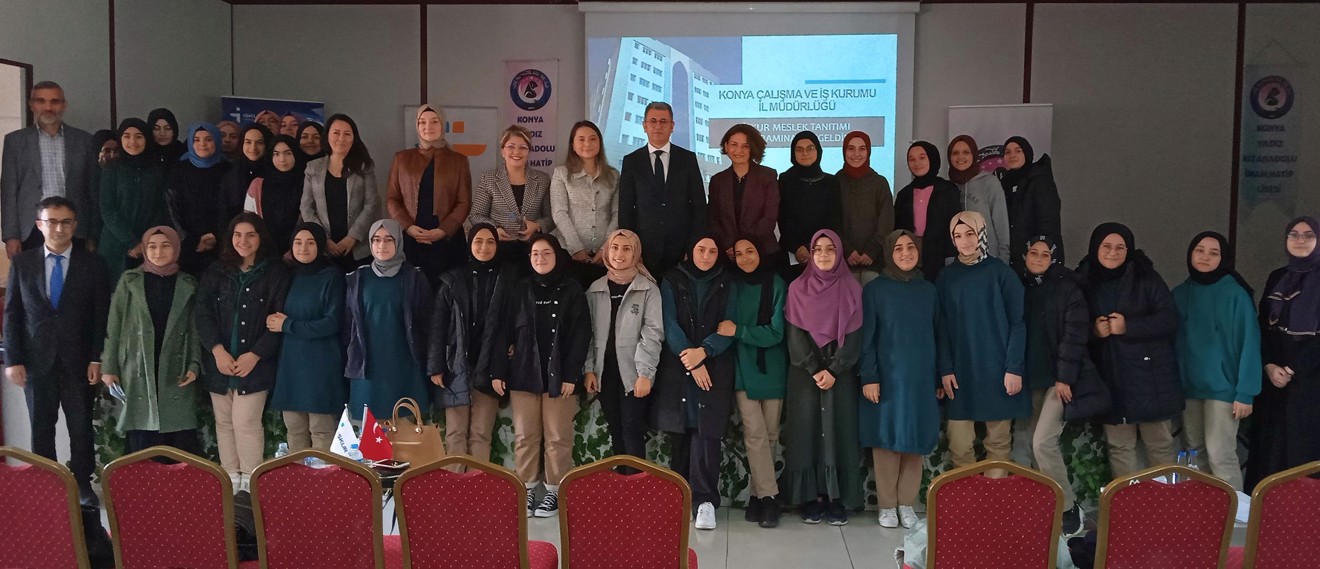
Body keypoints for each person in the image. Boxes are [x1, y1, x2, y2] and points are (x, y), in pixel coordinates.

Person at [4, 197, 110, 505]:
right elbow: (13, 314)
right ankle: (47, 485)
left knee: (80, 426)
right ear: (40, 225)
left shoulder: (93, 264)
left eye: (65, 222)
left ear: (74, 225)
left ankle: (83, 485)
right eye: (52, 221)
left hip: (79, 360)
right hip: (36, 361)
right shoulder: (23, 264)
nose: (59, 228)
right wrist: (14, 360)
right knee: (41, 427)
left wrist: (96, 357)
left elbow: (100, 315)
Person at [1077, 222, 1181, 478]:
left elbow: (1169, 320)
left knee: (1159, 444)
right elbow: (1072, 325)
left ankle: (1168, 500)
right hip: (1110, 378)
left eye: (1120, 247)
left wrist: (1128, 327)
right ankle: (1127, 501)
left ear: (1129, 249)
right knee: (1119, 447)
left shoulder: (1146, 277)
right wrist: (1094, 331)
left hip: (1149, 379)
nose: (1112, 253)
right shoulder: (1084, 279)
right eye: (1106, 246)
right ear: (1095, 247)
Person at [196, 212, 290, 492]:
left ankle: (249, 488)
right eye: (237, 235)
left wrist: (255, 355)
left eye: (250, 235)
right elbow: (202, 313)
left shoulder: (275, 273)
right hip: (220, 363)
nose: (243, 241)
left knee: (246, 423)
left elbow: (279, 321)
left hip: (256, 365)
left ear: (261, 238)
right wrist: (217, 351)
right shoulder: (216, 271)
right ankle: (230, 484)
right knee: (224, 424)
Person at [499, 234, 590, 518]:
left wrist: (571, 375)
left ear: (557, 256)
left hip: (560, 376)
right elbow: (505, 329)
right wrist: (503, 364)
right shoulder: (520, 288)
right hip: (523, 373)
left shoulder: (572, 289)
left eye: (546, 253)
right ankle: (526, 489)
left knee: (557, 436)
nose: (540, 259)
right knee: (525, 435)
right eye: (535, 254)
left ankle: (554, 491)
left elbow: (580, 335)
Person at [653, 234, 736, 531]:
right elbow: (668, 322)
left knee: (707, 434)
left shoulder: (727, 281)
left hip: (714, 367)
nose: (706, 255)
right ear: (690, 251)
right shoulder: (672, 279)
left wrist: (705, 352)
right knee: (681, 433)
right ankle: (679, 498)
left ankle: (705, 502)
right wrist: (692, 359)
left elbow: (729, 325)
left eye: (713, 251)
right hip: (681, 366)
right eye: (701, 249)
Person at [783, 229, 864, 525]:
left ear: (839, 253)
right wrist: (814, 368)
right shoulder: (797, 289)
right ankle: (810, 497)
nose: (824, 254)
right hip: (805, 373)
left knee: (838, 431)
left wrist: (835, 369)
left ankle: (836, 498)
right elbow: (794, 334)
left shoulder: (852, 288)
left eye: (830, 249)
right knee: (806, 432)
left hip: (840, 374)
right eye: (817, 249)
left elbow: (855, 335)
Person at [937, 211, 1029, 474]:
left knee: (998, 443)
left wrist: (1014, 368)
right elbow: (941, 327)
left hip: (997, 369)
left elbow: (1017, 322)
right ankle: (968, 498)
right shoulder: (946, 277)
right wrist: (945, 368)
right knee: (959, 444)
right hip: (960, 371)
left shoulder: (1001, 273)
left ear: (981, 234)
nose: (965, 241)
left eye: (970, 233)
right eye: (958, 235)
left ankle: (994, 497)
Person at [859, 230, 939, 529]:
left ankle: (906, 503)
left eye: (911, 248)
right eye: (898, 249)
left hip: (920, 378)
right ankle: (887, 505)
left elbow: (939, 334)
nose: (906, 253)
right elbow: (867, 337)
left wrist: (940, 375)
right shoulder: (875, 290)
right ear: (889, 254)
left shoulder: (929, 290)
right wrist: (869, 376)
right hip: (887, 378)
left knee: (913, 441)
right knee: (887, 441)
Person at [101, 226, 201, 454]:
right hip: (137, 363)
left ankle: (175, 479)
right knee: (142, 436)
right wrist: (109, 367)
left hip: (175, 364)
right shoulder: (129, 280)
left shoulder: (188, 283)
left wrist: (194, 364)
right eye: (152, 246)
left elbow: (195, 329)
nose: (158, 252)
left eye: (165, 246)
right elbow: (114, 325)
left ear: (176, 248)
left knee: (178, 438)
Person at [1172, 231, 1260, 491]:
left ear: (1224, 259)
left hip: (1224, 390)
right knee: (1194, 455)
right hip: (1189, 389)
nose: (1205, 257)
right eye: (1199, 250)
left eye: (1214, 253)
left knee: (1220, 454)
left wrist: (1246, 392)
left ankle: (1236, 514)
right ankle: (1203, 512)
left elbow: (1249, 343)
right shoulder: (1179, 294)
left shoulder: (1235, 295)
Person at [1021, 235, 1095, 535]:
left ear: (1054, 258)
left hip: (1058, 380)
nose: (1039, 259)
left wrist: (1065, 377)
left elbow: (1075, 335)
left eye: (1045, 254)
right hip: (1031, 379)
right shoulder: (1021, 287)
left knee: (1043, 442)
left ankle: (1068, 508)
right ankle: (1043, 507)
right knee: (1029, 443)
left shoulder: (1067, 289)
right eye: (1033, 253)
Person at [428, 223, 514, 464]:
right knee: (455, 433)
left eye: (490, 242)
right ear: (469, 244)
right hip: (455, 366)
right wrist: (436, 366)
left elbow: (514, 319)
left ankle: (479, 485)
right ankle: (457, 486)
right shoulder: (452, 280)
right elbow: (438, 326)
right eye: (478, 241)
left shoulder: (507, 279)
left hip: (489, 366)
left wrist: (512, 344)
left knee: (481, 434)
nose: (484, 247)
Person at [1246, 216, 1320, 491]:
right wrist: (1269, 364)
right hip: (1274, 380)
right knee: (1270, 451)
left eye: (1308, 235)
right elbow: (1263, 325)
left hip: (1311, 381)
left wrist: (1293, 368)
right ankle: (1266, 514)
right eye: (1294, 234)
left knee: (1304, 452)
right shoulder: (1277, 277)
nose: (1300, 240)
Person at [718, 237, 787, 528]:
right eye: (739, 253)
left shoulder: (777, 284)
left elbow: (776, 333)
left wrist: (740, 331)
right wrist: (737, 332)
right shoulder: (730, 285)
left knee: (770, 435)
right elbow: (722, 326)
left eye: (751, 251)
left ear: (761, 253)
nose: (745, 258)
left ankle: (757, 497)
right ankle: (770, 497)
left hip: (773, 368)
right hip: (743, 369)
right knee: (755, 434)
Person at [584, 229, 663, 466]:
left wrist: (645, 374)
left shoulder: (648, 289)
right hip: (604, 372)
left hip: (634, 374)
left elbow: (653, 333)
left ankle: (636, 485)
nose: (619, 254)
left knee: (632, 428)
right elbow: (587, 333)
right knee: (615, 429)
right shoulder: (595, 288)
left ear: (635, 253)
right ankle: (622, 485)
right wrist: (589, 369)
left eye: (626, 248)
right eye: (615, 248)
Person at [267, 222, 347, 452]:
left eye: (310, 242)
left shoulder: (331, 277)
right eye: (298, 242)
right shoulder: (286, 276)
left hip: (320, 364)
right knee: (294, 429)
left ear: (320, 246)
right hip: (291, 365)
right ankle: (298, 477)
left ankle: (324, 477)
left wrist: (288, 325)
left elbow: (331, 323)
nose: (303, 248)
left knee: (321, 430)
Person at [344, 220, 432, 420]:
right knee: (370, 433)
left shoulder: (414, 278)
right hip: (367, 369)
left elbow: (427, 325)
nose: (381, 245)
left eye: (388, 239)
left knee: (406, 431)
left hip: (405, 368)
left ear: (398, 242)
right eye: (376, 240)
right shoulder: (358, 278)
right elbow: (348, 326)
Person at [2, 81, 99, 256]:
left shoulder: (84, 140)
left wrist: (93, 234)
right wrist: (11, 236)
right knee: (32, 274)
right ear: (31, 105)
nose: (48, 107)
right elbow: (9, 192)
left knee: (75, 274)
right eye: (41, 101)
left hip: (74, 226)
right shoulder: (15, 141)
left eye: (55, 101)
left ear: (64, 105)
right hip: (31, 228)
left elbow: (92, 190)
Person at [617, 101, 708, 280]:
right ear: (644, 125)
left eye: (663, 121)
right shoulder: (631, 161)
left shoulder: (687, 159)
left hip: (681, 249)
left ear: (672, 126)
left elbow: (699, 206)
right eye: (653, 121)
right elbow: (626, 208)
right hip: (644, 249)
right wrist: (631, 248)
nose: (658, 126)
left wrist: (693, 245)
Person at [387, 105, 472, 285]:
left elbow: (464, 202)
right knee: (414, 289)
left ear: (442, 124)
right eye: (422, 122)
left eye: (434, 121)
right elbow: (392, 199)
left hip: (448, 238)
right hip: (412, 236)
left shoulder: (458, 160)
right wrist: (408, 227)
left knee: (448, 289)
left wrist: (443, 230)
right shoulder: (402, 159)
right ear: (416, 126)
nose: (428, 126)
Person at [302, 114, 380, 273]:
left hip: (358, 247)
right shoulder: (313, 168)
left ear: (354, 138)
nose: (341, 138)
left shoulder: (364, 166)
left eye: (347, 134)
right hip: (324, 247)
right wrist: (323, 238)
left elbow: (372, 204)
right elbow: (306, 207)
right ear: (327, 136)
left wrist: (352, 237)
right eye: (336, 133)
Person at [465, 125, 552, 263]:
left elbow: (551, 217)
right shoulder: (488, 179)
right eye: (511, 146)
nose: (516, 152)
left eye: (523, 147)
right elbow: (475, 215)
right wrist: (494, 228)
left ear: (529, 152)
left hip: (533, 250)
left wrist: (537, 225)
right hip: (498, 247)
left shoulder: (543, 179)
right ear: (502, 151)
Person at [550, 120, 618, 286]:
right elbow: (559, 213)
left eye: (593, 139)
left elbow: (617, 213)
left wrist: (605, 248)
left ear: (600, 143)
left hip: (604, 256)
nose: (587, 144)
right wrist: (576, 248)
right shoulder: (561, 173)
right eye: (581, 139)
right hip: (568, 253)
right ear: (573, 145)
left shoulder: (613, 175)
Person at [99, 118, 167, 279]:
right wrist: (133, 242)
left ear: (147, 139)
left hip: (150, 245)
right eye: (127, 136)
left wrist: (145, 242)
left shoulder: (157, 171)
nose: (132, 142)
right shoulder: (111, 169)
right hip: (116, 244)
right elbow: (108, 210)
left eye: (139, 136)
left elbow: (161, 208)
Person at [165, 124, 233, 276]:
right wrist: (192, 241)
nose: (202, 144)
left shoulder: (228, 170)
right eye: (196, 140)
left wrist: (217, 235)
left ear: (217, 141)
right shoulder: (178, 170)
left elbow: (233, 207)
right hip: (187, 247)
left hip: (222, 244)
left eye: (208, 139)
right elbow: (171, 209)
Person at [709, 124, 779, 265]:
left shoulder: (768, 176)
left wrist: (745, 247)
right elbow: (713, 218)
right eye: (734, 144)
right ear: (726, 146)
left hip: (762, 251)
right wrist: (730, 245)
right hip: (728, 254)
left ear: (752, 148)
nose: (738, 150)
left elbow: (770, 217)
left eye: (745, 146)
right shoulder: (717, 180)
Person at [778, 131, 842, 280]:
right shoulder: (785, 180)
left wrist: (813, 248)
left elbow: (834, 219)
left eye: (810, 148)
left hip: (823, 253)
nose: (805, 153)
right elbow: (782, 218)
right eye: (799, 149)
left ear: (818, 151)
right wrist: (797, 247)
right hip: (791, 253)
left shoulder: (831, 182)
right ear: (793, 153)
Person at [894, 142, 960, 282]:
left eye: (922, 157)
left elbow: (955, 226)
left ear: (932, 158)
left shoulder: (948, 190)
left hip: (940, 255)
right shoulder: (903, 194)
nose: (916, 163)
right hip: (910, 254)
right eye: (912, 159)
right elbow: (898, 229)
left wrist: (951, 257)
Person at [837, 131, 893, 285]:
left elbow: (886, 222)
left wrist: (871, 251)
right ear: (844, 151)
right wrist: (848, 251)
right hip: (843, 263)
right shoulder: (835, 182)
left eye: (862, 148)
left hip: (875, 263)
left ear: (868, 151)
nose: (856, 154)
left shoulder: (880, 183)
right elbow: (832, 221)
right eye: (851, 148)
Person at [1000, 136, 1064, 268]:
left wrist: (1041, 252)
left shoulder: (1040, 180)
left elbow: (1049, 222)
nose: (1012, 155)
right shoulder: (1005, 182)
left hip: (1037, 257)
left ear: (1027, 153)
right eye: (1007, 152)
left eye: (1018, 151)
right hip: (1014, 257)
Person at [947, 135, 1010, 263]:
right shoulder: (947, 187)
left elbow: (1001, 223)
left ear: (974, 155)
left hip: (988, 259)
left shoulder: (990, 183)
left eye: (966, 152)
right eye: (955, 153)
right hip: (958, 262)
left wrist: (1003, 260)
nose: (960, 157)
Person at [244, 135, 306, 254]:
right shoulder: (258, 185)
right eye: (276, 154)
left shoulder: (307, 183)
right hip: (263, 252)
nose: (282, 159)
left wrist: (292, 253)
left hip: (300, 251)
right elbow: (249, 221)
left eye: (288, 153)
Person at [222, 124, 272, 226]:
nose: (253, 147)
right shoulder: (232, 174)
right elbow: (224, 213)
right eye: (248, 142)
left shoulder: (275, 174)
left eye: (260, 143)